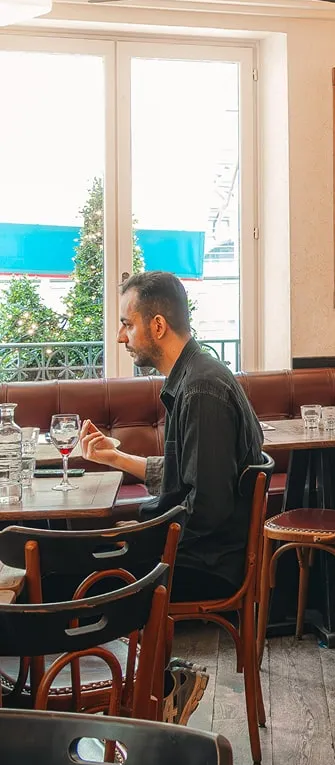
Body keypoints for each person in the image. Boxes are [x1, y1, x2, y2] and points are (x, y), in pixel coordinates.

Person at [78, 271, 264, 724]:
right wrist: (119, 457)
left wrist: (145, 539)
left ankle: (129, 709)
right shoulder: (196, 375)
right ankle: (154, 691)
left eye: (127, 324)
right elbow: (191, 479)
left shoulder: (201, 389)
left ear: (157, 326)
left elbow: (210, 508)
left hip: (210, 563)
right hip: (201, 549)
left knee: (85, 579)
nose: (121, 336)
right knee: (90, 560)